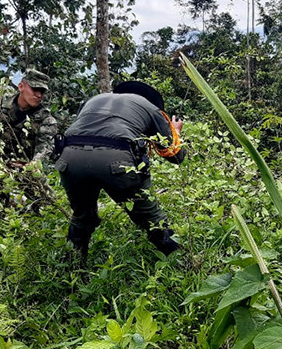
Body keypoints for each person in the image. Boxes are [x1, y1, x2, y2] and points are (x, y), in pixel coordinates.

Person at [53, 81, 186, 261]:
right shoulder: (151, 108)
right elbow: (175, 155)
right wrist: (176, 132)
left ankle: (72, 271)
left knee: (82, 217)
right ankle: (181, 264)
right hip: (117, 159)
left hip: (69, 158)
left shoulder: (94, 100)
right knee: (152, 218)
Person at [0, 69, 58, 215]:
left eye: (42, 92)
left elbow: (44, 148)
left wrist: (33, 164)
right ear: (21, 87)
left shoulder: (46, 120)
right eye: (35, 89)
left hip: (25, 168)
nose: (39, 95)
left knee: (47, 206)